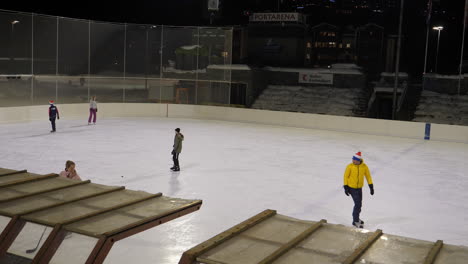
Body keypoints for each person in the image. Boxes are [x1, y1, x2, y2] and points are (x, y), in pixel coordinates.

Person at [343, 152, 374, 228]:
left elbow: (368, 176)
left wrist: (371, 186)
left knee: (360, 205)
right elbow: (345, 176)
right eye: (353, 159)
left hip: (359, 188)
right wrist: (346, 187)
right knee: (357, 204)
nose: (353, 161)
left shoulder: (364, 167)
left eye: (355, 160)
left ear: (359, 160)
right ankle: (355, 221)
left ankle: (357, 218)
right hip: (352, 188)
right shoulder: (350, 166)